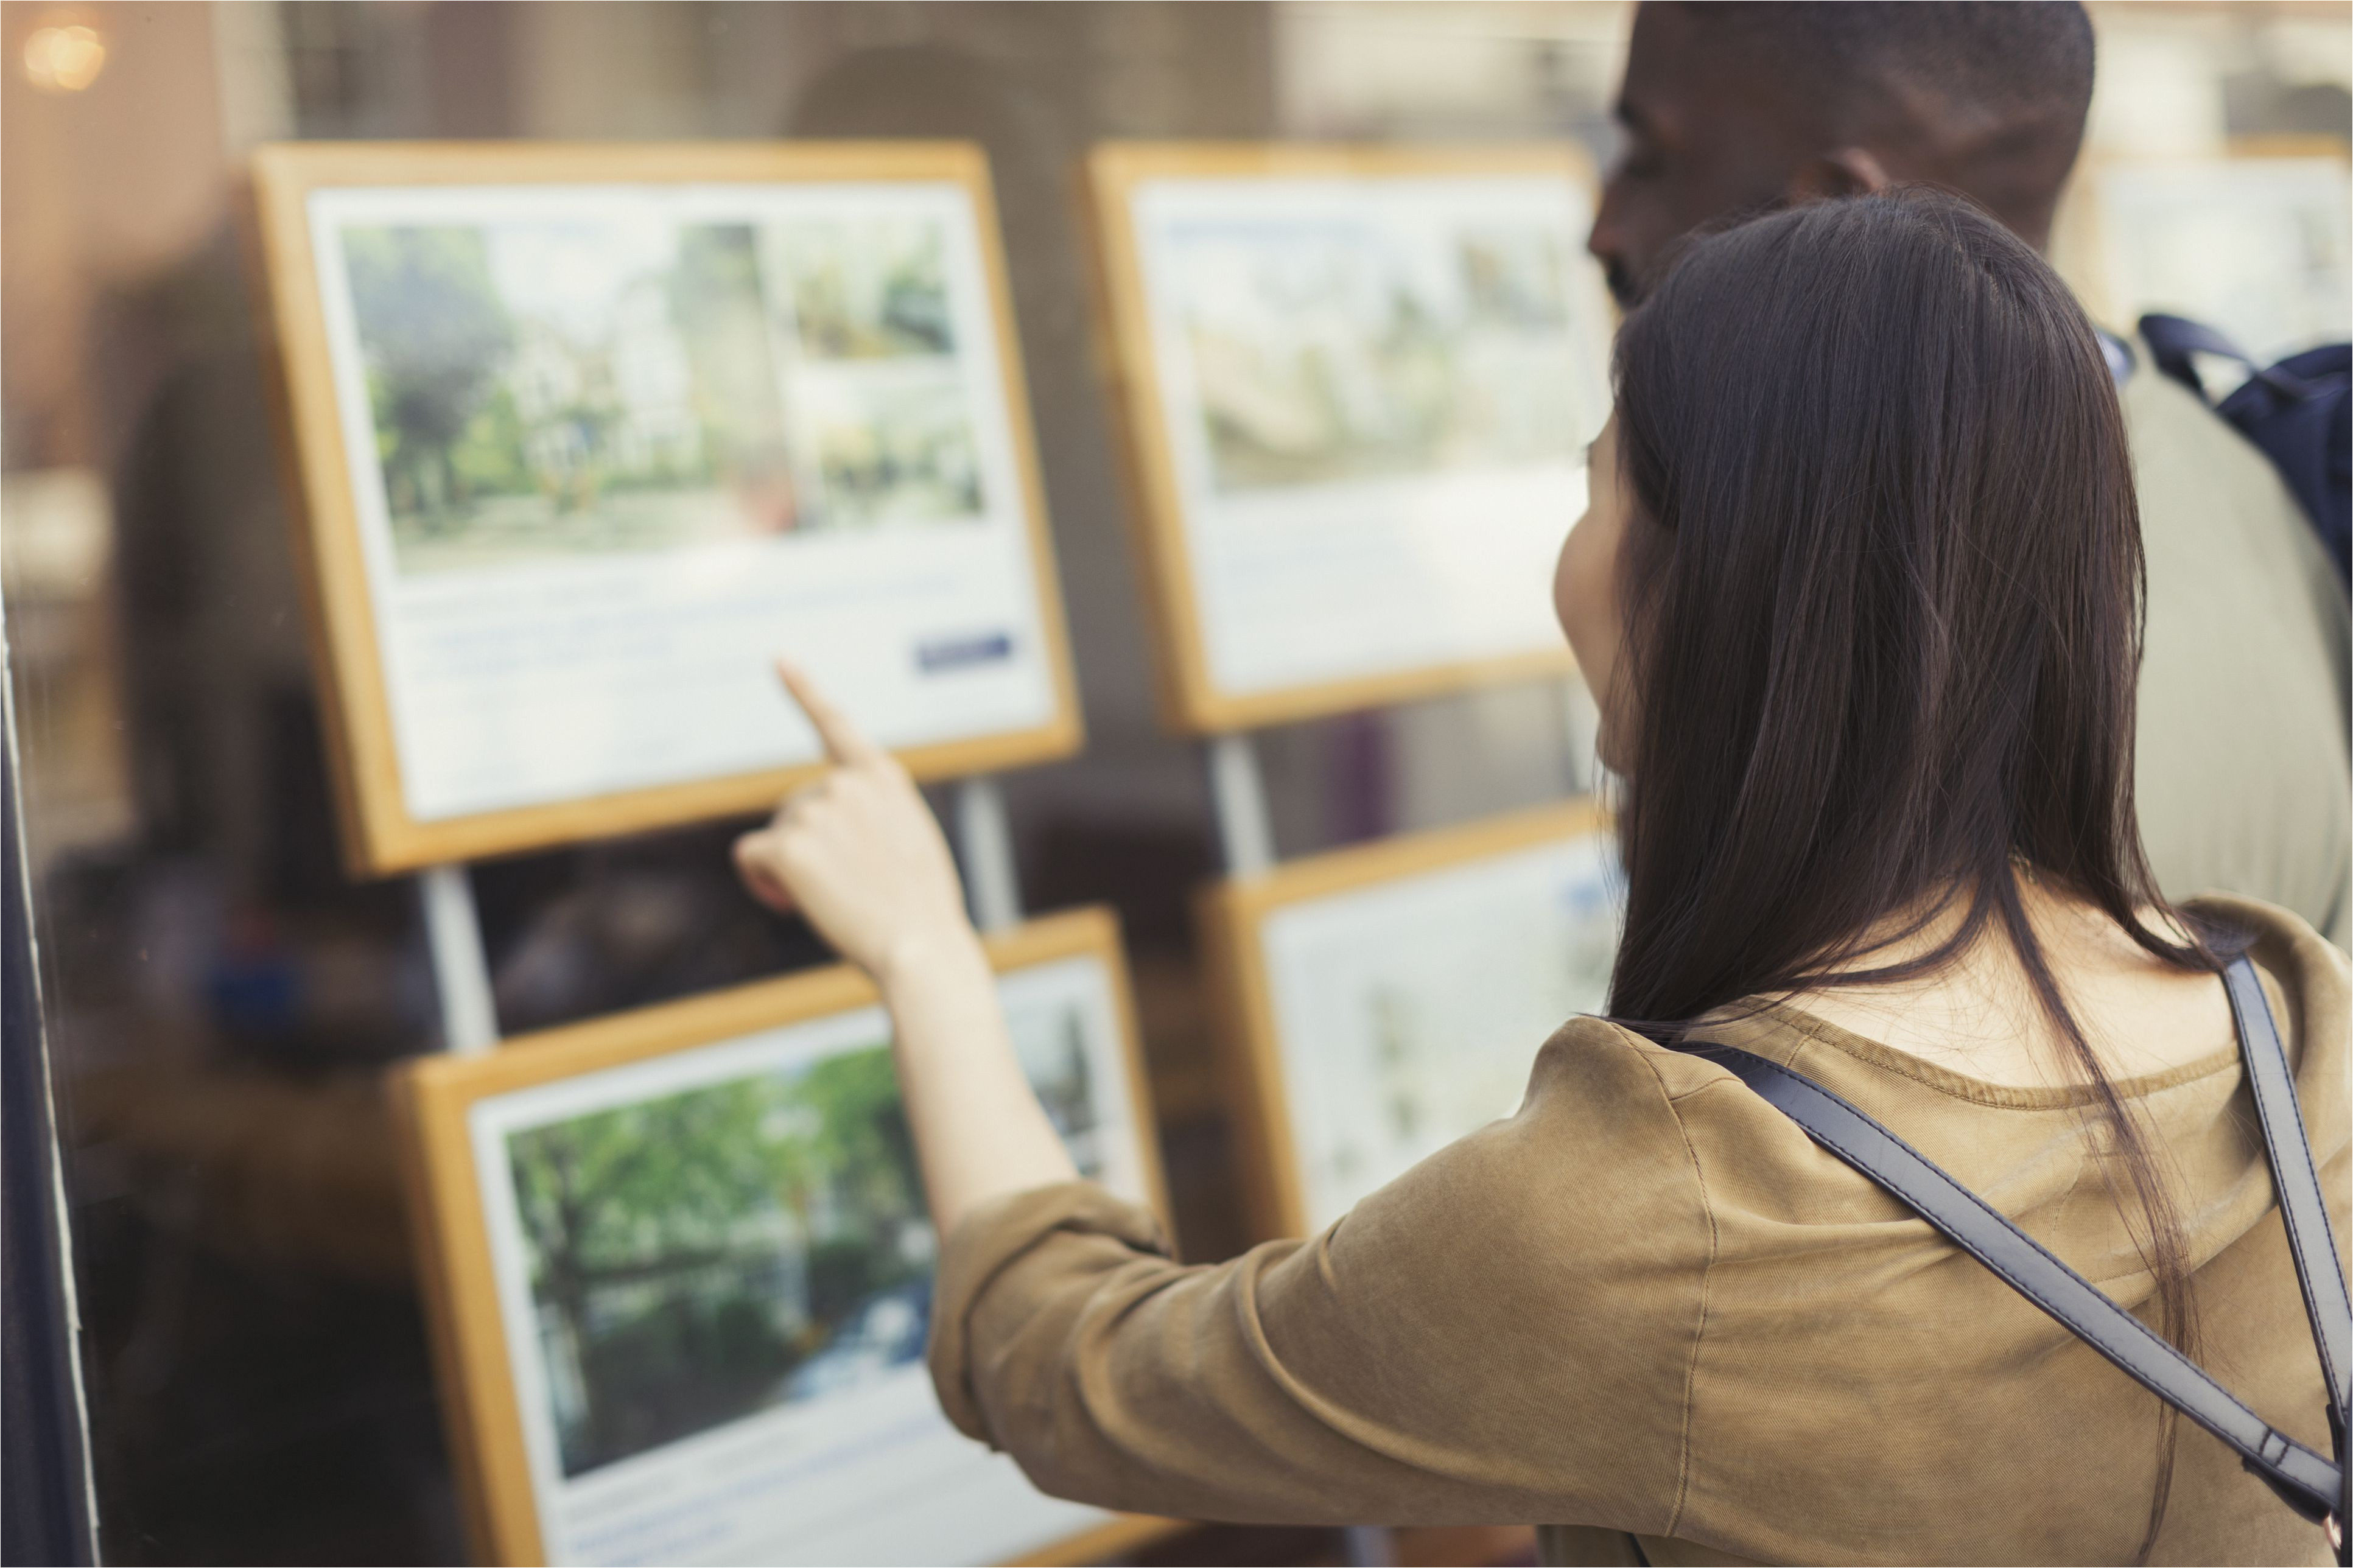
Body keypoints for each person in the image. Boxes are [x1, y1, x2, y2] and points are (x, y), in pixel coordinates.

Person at [735, 191, 2349, 1564]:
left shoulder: (1666, 1203)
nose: (1569, 544)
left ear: (1703, 583)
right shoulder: (2298, 1028)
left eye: (1599, 479)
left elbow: (1066, 1371)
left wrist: (926, 951)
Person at [1589, 0, 2352, 948]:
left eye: (1650, 159)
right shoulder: (2207, 468)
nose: (1604, 228)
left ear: (1830, 212)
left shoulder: (1975, 729)